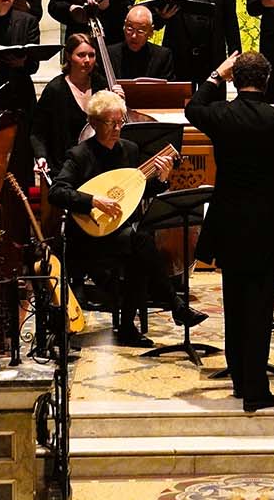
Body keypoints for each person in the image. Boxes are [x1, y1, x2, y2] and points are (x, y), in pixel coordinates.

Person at [186, 52, 274, 412]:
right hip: (265, 223)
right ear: (268, 80)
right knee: (260, 308)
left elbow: (193, 108)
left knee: (234, 302)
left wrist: (216, 73)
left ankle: (239, 379)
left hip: (228, 222)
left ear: (235, 79)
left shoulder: (222, 115)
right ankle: (256, 390)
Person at [48, 90, 206, 345]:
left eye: (121, 121)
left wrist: (162, 179)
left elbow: (139, 190)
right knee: (140, 244)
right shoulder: (79, 155)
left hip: (122, 233)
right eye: (112, 123)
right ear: (95, 123)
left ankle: (139, 322)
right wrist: (93, 200)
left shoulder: (130, 151)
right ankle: (168, 307)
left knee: (138, 249)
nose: (118, 128)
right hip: (89, 237)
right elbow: (56, 192)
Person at [30, 33, 102, 179]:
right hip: (64, 168)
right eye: (81, 55)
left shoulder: (101, 85)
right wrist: (41, 157)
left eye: (91, 55)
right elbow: (38, 131)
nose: (87, 60)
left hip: (97, 166)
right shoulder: (55, 89)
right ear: (69, 56)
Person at [106, 5, 176, 79]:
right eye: (130, 29)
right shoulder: (110, 54)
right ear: (124, 26)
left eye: (140, 31)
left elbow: (168, 88)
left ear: (150, 31)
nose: (134, 36)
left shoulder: (163, 56)